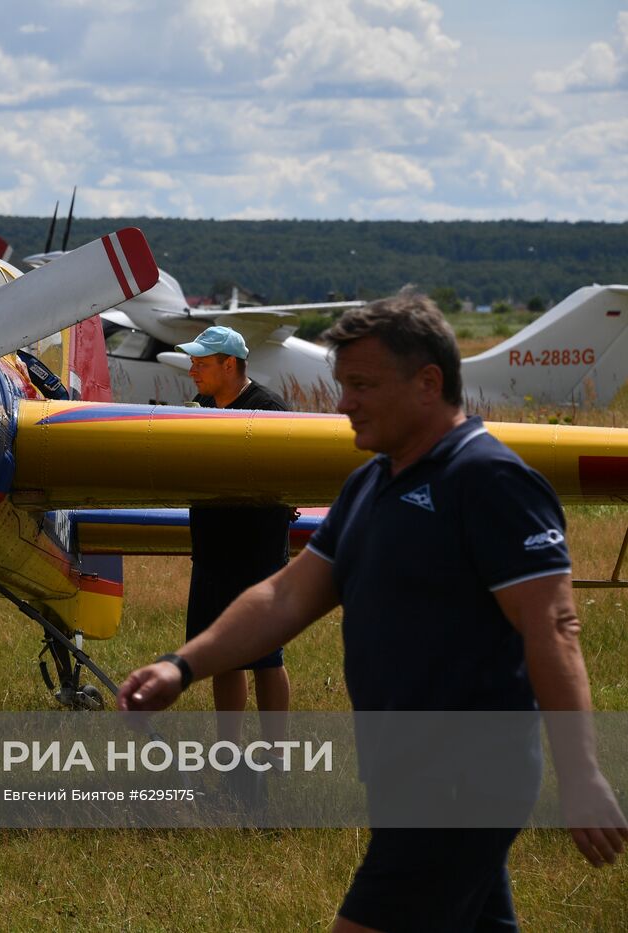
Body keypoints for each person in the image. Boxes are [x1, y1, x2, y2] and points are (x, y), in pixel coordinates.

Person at [120, 293, 626, 931]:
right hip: (399, 772)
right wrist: (181, 666)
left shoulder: (491, 482)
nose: (343, 403)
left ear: (427, 384)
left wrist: (580, 775)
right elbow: (285, 595)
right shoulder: (371, 484)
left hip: (462, 779)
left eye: (362, 385)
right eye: (342, 384)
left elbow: (553, 628)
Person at [176, 325, 291, 752]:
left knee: (266, 657)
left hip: (256, 557)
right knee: (222, 657)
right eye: (192, 362)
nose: (193, 370)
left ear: (230, 365)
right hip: (211, 551)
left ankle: (276, 753)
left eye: (201, 364)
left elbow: (285, 481)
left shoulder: (270, 410)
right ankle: (230, 749)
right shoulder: (201, 405)